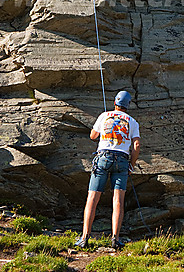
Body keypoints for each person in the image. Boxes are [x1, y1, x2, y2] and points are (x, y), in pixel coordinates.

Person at [76, 91, 141, 250]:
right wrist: (131, 165)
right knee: (118, 200)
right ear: (128, 105)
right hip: (122, 161)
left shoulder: (104, 115)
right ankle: (115, 238)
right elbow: (136, 146)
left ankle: (85, 238)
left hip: (103, 158)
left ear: (115, 102)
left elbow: (93, 136)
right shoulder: (133, 122)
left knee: (92, 197)